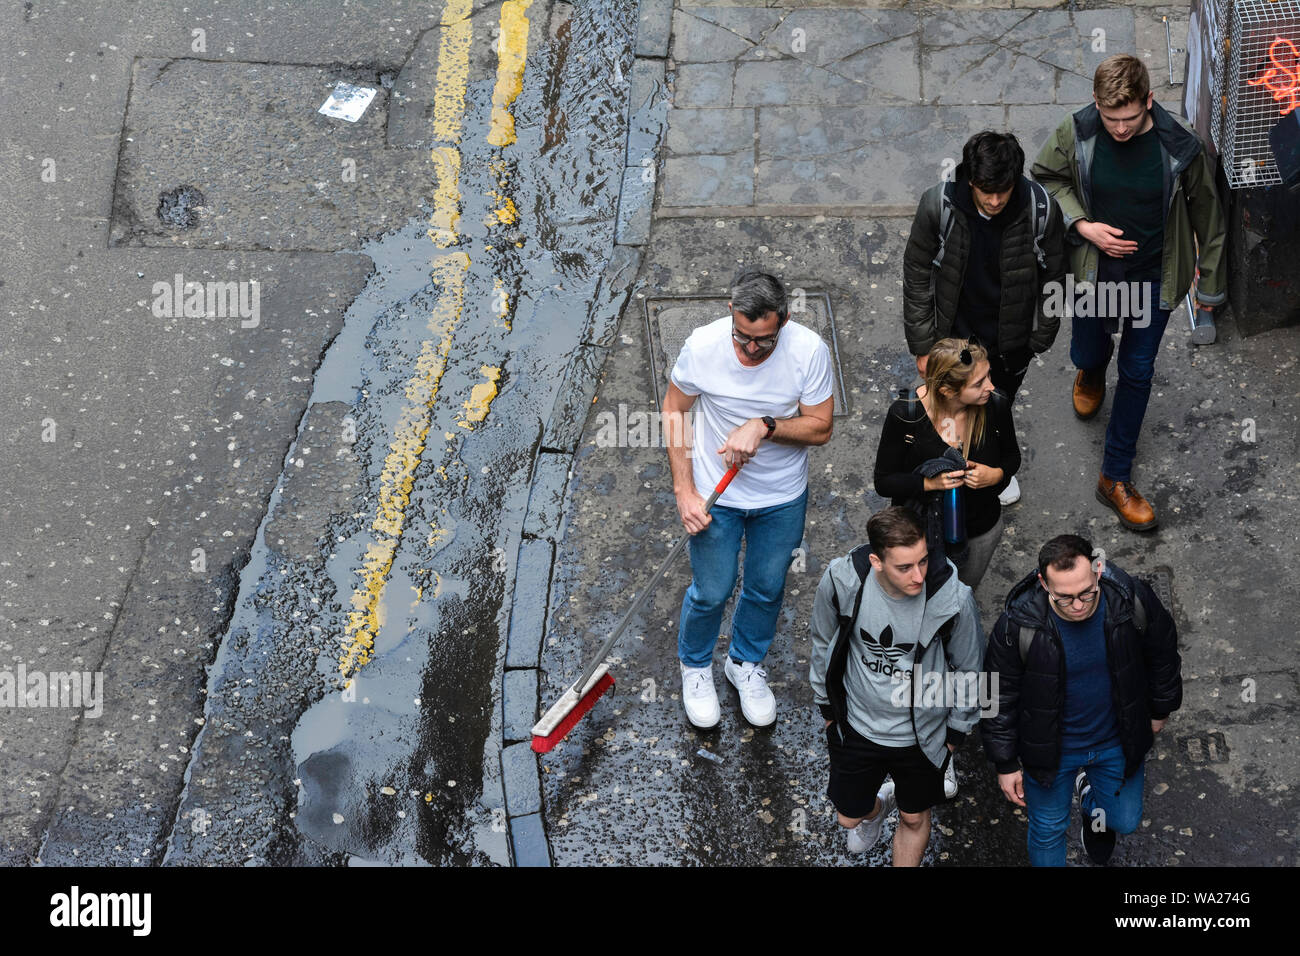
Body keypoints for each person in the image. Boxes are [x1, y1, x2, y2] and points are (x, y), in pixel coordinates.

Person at [1032, 54, 1227, 531]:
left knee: (1137, 371)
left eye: (1129, 117)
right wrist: (1083, 224)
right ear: (1096, 103)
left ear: (1149, 101)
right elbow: (1045, 176)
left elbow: (1209, 214)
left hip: (1152, 277)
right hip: (1094, 272)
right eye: (1109, 116)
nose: (1119, 128)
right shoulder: (1077, 131)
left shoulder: (1180, 145)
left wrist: (1211, 284)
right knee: (1090, 346)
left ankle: (1114, 476)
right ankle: (1090, 372)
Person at [664, 268, 834, 730]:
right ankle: (696, 666)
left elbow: (821, 426)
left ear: (785, 318)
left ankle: (743, 663)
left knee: (766, 588)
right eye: (743, 338)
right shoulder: (702, 346)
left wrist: (767, 424)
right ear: (730, 313)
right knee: (712, 591)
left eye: (764, 339)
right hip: (714, 493)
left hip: (781, 497)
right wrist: (684, 490)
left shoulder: (808, 351)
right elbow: (675, 409)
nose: (752, 349)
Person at [981, 534, 1182, 866]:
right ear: (1044, 583)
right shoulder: (1017, 625)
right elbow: (994, 694)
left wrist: (1161, 709)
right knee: (1047, 830)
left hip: (1114, 741)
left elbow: (1163, 655)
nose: (1078, 605)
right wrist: (1004, 763)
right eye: (1064, 597)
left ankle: (1092, 803)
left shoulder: (1131, 601)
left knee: (1125, 821)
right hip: (1049, 751)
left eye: (1087, 592)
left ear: (1098, 570)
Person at [809, 507, 984, 865]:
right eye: (904, 567)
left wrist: (956, 734)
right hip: (857, 727)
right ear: (876, 561)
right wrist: (827, 709)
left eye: (922, 561)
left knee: (914, 817)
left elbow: (970, 669)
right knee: (848, 816)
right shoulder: (843, 580)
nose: (918, 575)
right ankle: (876, 811)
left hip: (922, 736)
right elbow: (823, 640)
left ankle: (901, 808)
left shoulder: (953, 598)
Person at [902, 130, 1066, 505]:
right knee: (948, 401)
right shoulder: (938, 206)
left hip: (1009, 342)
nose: (994, 201)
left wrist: (1039, 339)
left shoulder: (1040, 211)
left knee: (996, 404)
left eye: (1003, 191)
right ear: (971, 180)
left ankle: (994, 468)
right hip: (952, 336)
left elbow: (1056, 277)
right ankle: (944, 465)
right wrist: (924, 344)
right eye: (985, 191)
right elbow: (916, 273)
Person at [873, 338, 1019, 592]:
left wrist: (996, 475)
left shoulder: (995, 404)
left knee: (961, 594)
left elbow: (1012, 457)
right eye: (979, 383)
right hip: (918, 536)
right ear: (948, 391)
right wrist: (929, 483)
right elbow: (884, 481)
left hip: (981, 529)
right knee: (917, 595)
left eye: (988, 376)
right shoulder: (906, 414)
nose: (991, 386)